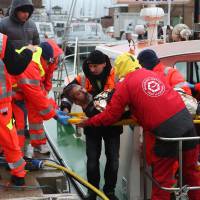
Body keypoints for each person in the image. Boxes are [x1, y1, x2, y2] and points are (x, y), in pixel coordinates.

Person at [79, 67, 200, 200]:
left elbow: (110, 116)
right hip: (187, 122)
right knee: (191, 171)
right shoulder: (150, 73)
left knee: (162, 180)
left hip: (166, 131)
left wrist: (89, 122)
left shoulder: (122, 87)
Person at [61, 50, 122, 200]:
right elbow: (67, 92)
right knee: (92, 160)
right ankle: (92, 192)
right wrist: (65, 107)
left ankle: (109, 192)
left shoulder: (116, 76)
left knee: (113, 160)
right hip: (91, 125)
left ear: (104, 64)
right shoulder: (82, 78)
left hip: (113, 124)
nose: (92, 69)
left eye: (95, 66)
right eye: (90, 66)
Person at [12, 43, 70, 156]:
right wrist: (55, 115)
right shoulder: (31, 66)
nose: (50, 66)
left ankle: (29, 149)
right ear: (47, 60)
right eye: (49, 63)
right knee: (14, 126)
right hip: (6, 97)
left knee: (24, 119)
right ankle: (12, 155)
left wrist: (53, 108)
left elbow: (40, 92)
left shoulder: (37, 59)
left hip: (13, 94)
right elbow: (37, 96)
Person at [0, 0, 40, 156]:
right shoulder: (3, 25)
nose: (26, 14)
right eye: (23, 11)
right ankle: (7, 147)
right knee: (8, 114)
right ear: (15, 10)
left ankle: (18, 147)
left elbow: (37, 44)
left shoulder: (32, 25)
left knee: (23, 111)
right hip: (8, 75)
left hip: (27, 72)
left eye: (28, 12)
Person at [0, 32, 34, 186]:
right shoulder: (1, 40)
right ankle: (19, 175)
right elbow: (15, 67)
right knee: (10, 138)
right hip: (2, 106)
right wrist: (28, 51)